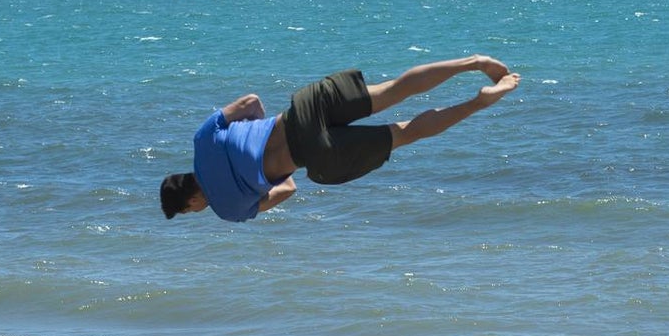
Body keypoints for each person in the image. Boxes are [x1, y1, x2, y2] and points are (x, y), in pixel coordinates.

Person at [160, 55, 521, 222]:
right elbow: (250, 101)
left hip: (317, 155)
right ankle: (474, 63)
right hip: (302, 112)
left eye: (188, 210)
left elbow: (287, 191)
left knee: (405, 133)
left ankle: (478, 103)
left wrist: (268, 175)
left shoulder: (228, 210)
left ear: (191, 199)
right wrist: (260, 126)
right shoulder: (202, 140)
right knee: (393, 90)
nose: (194, 211)